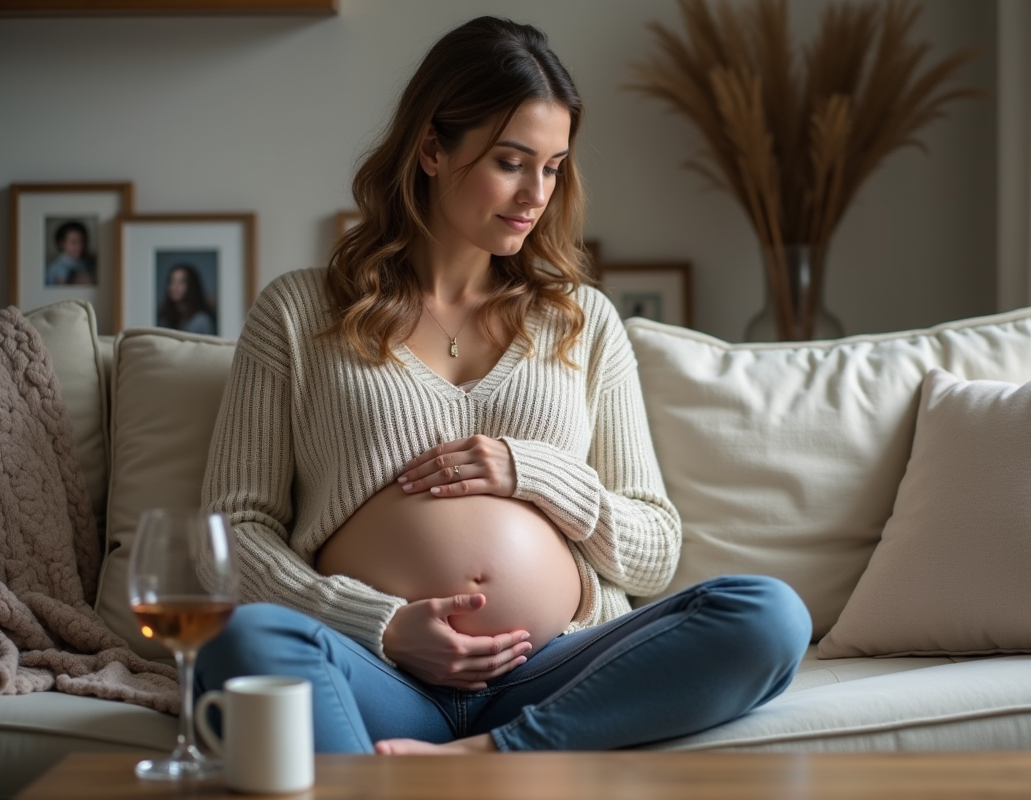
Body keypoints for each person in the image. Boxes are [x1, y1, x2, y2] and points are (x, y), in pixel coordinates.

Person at [195, 15, 810, 755]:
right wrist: (383, 625)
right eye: (512, 162)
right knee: (241, 643)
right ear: (432, 148)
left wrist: (535, 473)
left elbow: (654, 548)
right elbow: (230, 533)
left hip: (553, 676)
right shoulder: (298, 312)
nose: (535, 195)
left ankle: (485, 758)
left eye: (553, 168)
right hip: (376, 672)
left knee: (768, 614)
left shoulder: (582, 321)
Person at [157, 263, 217, 335]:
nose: (174, 287)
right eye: (171, 282)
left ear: (192, 285)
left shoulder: (201, 321)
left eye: (181, 282)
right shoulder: (164, 317)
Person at [45, 220, 96, 286]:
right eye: (74, 242)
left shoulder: (88, 262)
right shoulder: (56, 269)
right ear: (62, 243)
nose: (80, 246)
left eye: (82, 241)